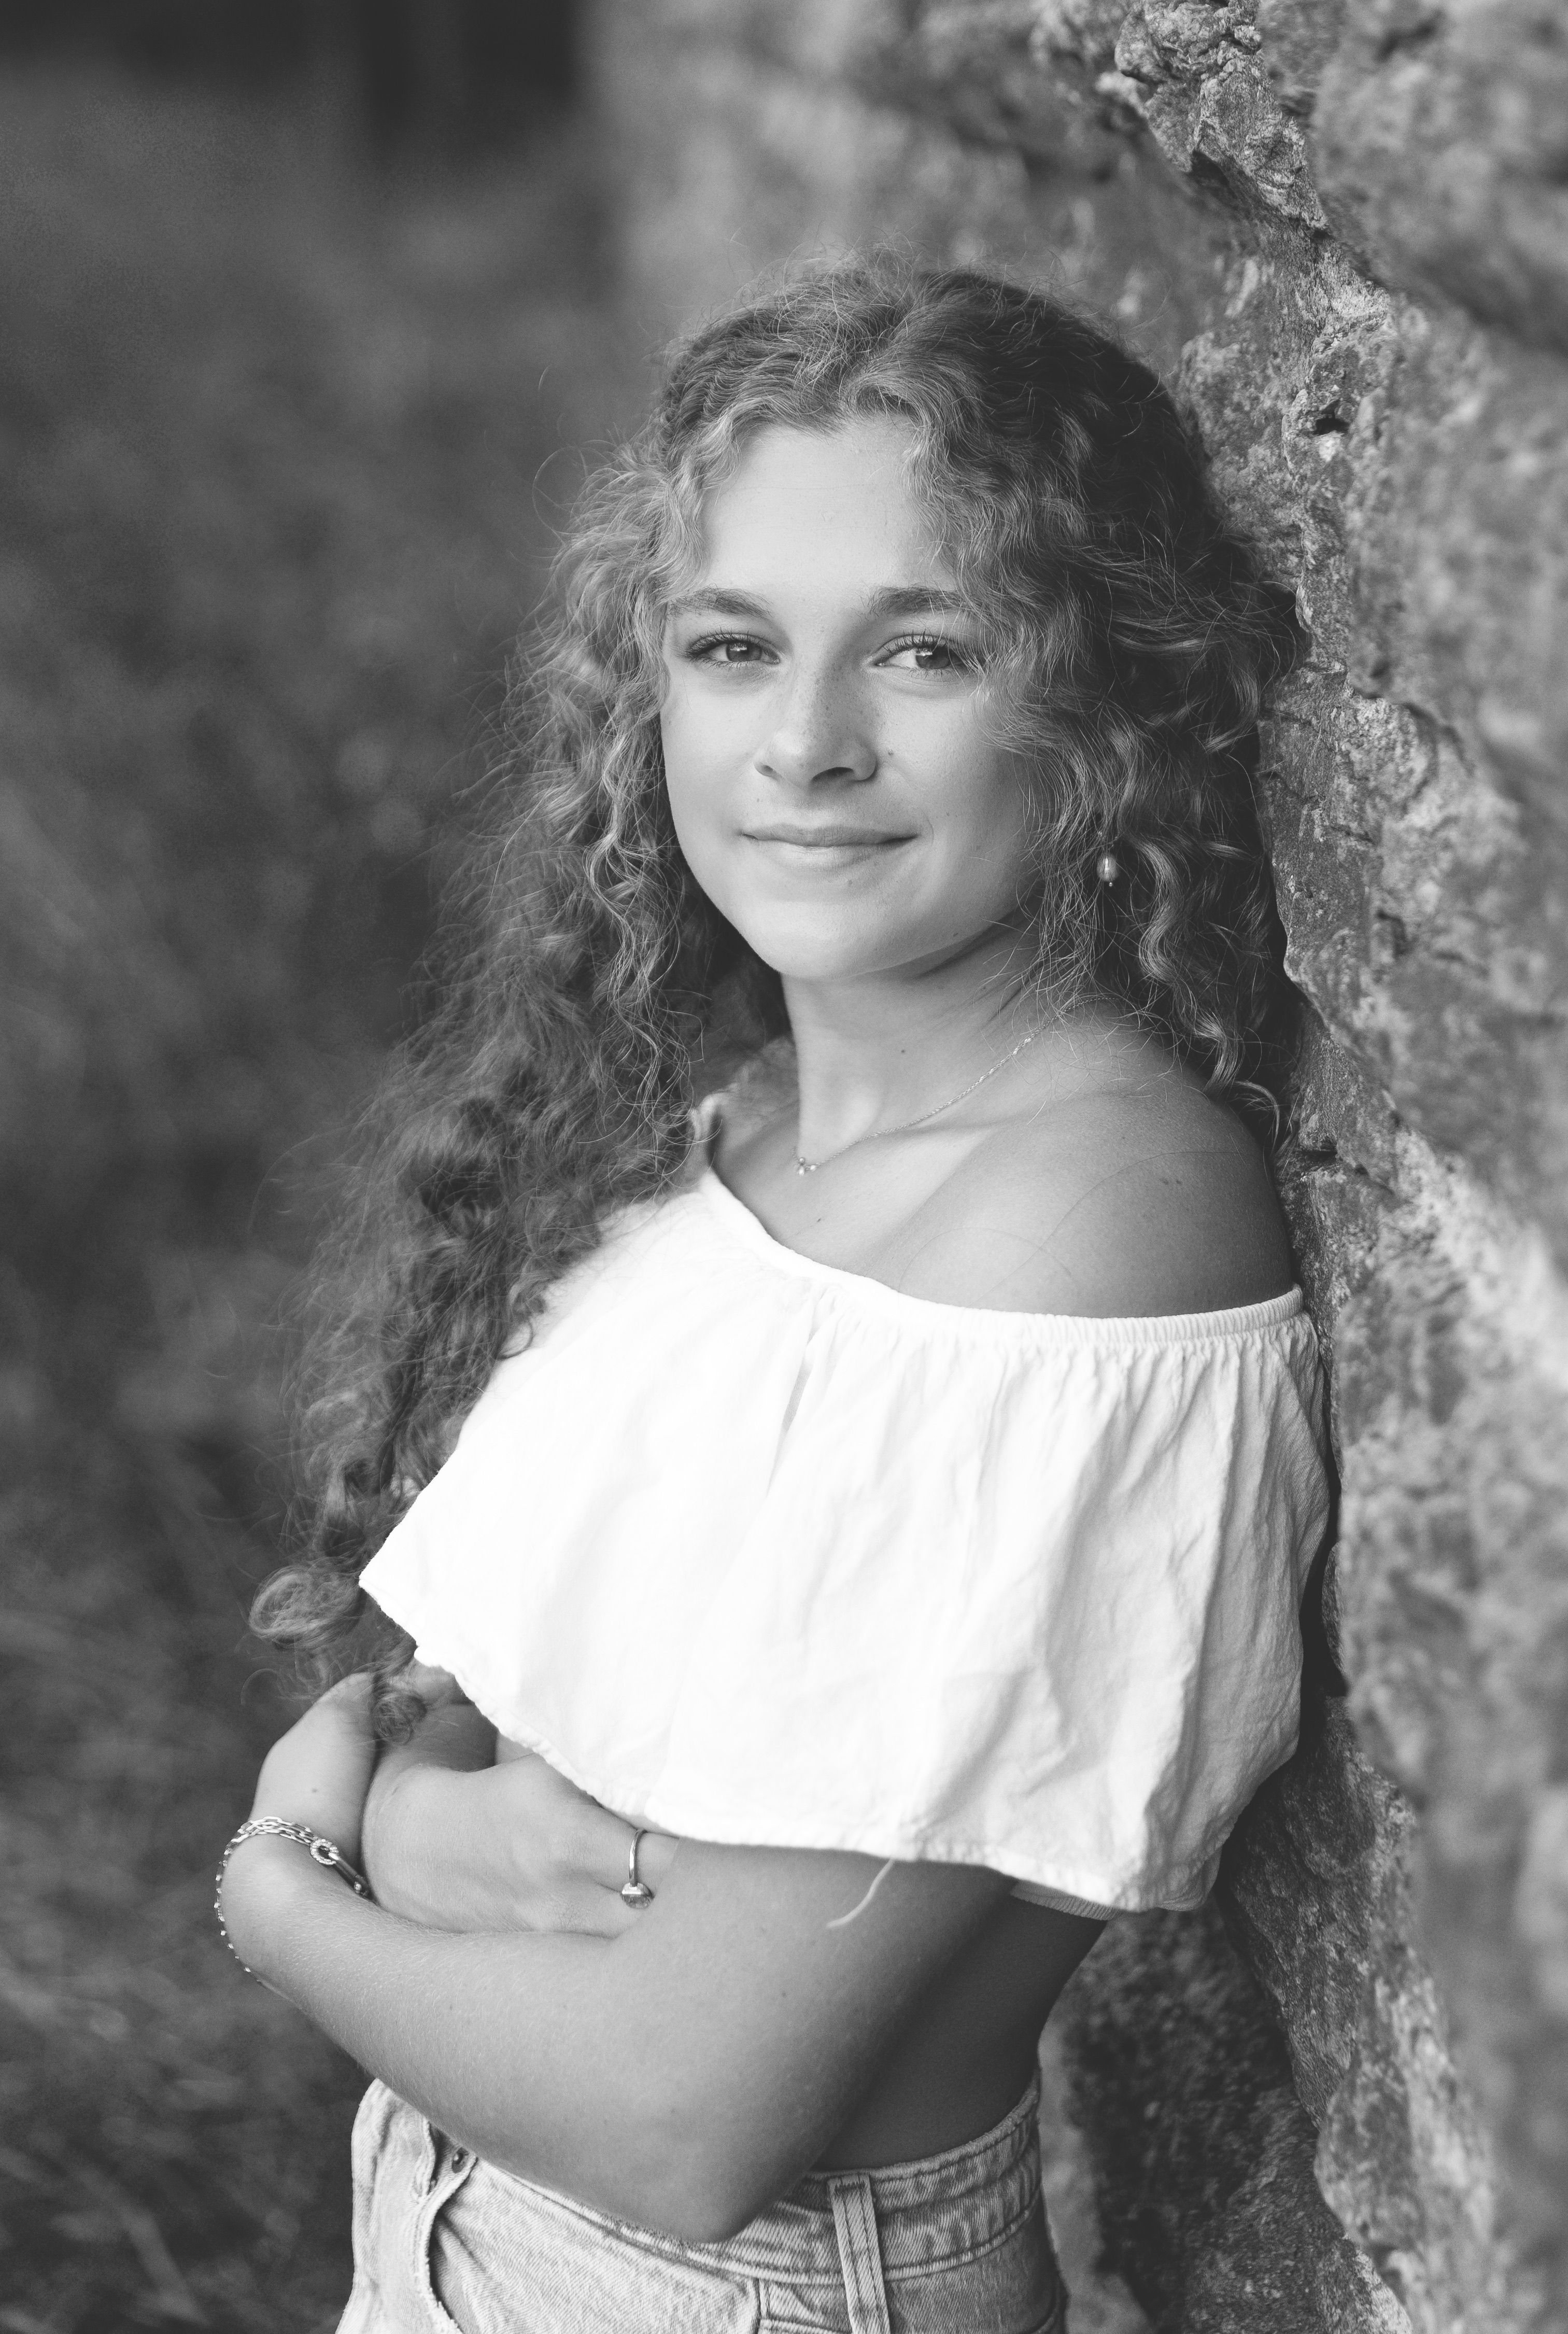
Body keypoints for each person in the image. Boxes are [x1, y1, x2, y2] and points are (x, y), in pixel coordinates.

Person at [222, 261, 1333, 2334]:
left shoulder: (1074, 1243)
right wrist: (405, 1813)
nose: (806, 747)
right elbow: (483, 1711)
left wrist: (285, 1887)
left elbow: (683, 2109)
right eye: (734, 648)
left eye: (927, 646)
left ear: (1105, 693)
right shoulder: (745, 1123)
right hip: (470, 2221)